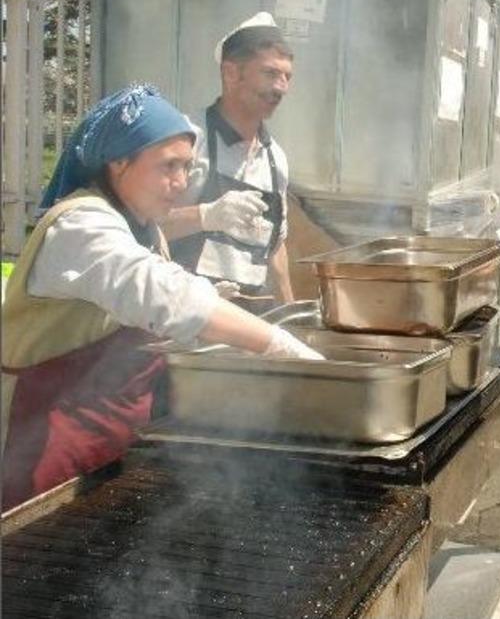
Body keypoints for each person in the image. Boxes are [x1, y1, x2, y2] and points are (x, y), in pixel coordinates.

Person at [1, 85, 323, 511]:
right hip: (44, 443)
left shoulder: (141, 223)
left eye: (187, 167)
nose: (180, 183)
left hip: (112, 436)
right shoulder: (79, 227)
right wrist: (277, 344)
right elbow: (164, 295)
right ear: (119, 162)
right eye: (168, 166)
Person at [163, 12, 295, 310]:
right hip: (181, 318)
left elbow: (275, 248)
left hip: (246, 323)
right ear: (231, 73)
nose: (281, 88)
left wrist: (291, 316)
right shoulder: (185, 139)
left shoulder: (276, 159)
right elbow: (140, 227)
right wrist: (206, 215)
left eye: (287, 77)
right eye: (271, 73)